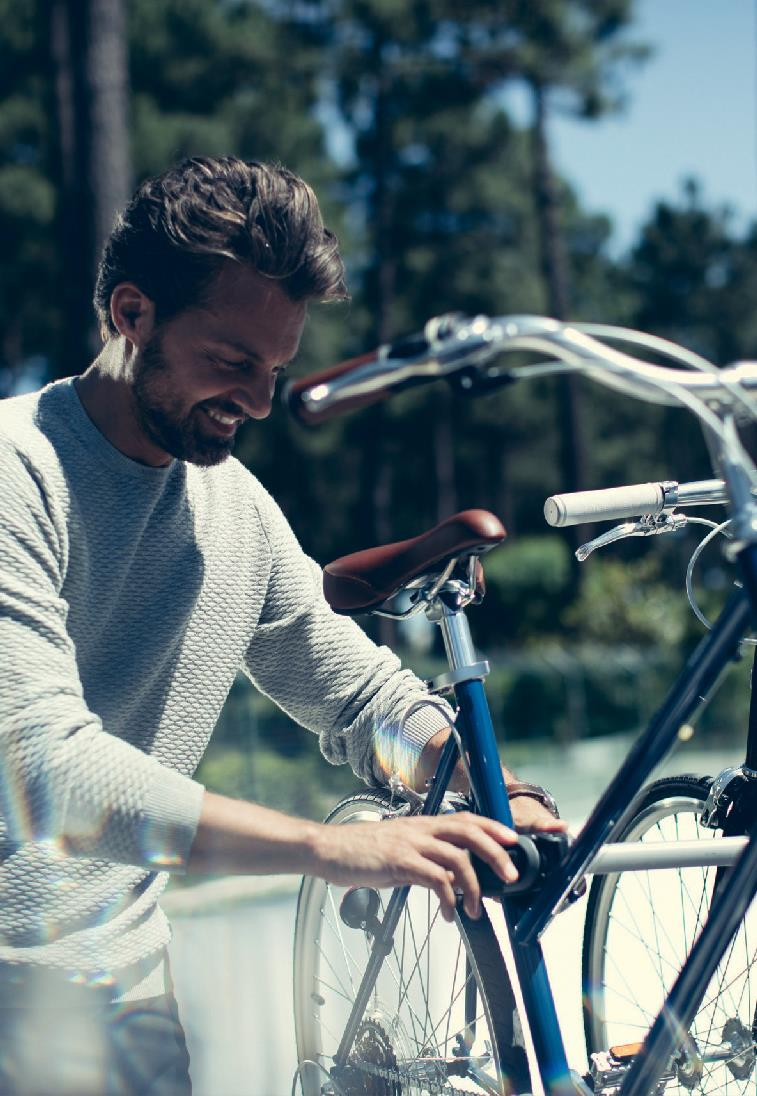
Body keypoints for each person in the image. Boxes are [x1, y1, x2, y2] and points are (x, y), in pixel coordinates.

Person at [0, 156, 563, 1094]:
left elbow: (357, 693)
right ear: (131, 315)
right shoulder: (18, 474)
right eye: (231, 362)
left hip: (121, 989)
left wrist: (484, 783)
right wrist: (330, 847)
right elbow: (43, 768)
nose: (261, 402)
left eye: (276, 370)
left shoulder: (237, 510)